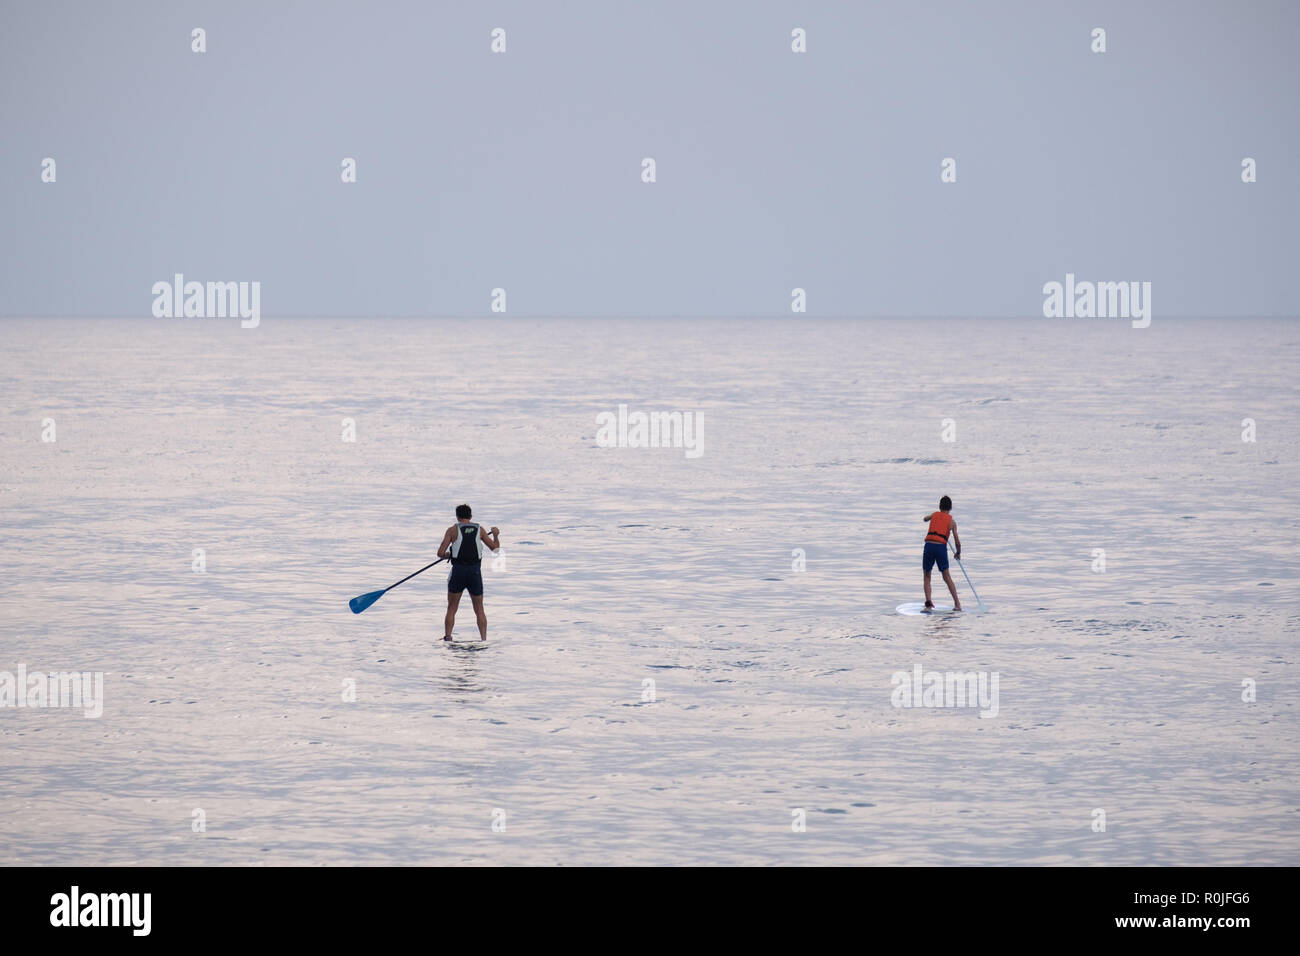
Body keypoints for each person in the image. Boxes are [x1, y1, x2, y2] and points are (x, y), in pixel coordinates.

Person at [437, 504, 500, 641]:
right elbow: (495, 549)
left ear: (457, 516)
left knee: (452, 608)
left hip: (458, 572)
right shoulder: (480, 530)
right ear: (470, 516)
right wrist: (495, 535)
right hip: (474, 573)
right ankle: (483, 639)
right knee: (479, 609)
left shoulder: (452, 530)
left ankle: (448, 637)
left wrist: (450, 555)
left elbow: (440, 553)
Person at [922, 496, 962, 611]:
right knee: (946, 576)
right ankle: (958, 604)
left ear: (939, 506)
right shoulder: (952, 522)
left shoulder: (934, 515)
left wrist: (927, 518)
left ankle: (928, 605)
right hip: (940, 548)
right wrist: (958, 553)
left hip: (929, 545)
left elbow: (925, 518)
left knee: (927, 575)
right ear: (950, 508)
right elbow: (957, 542)